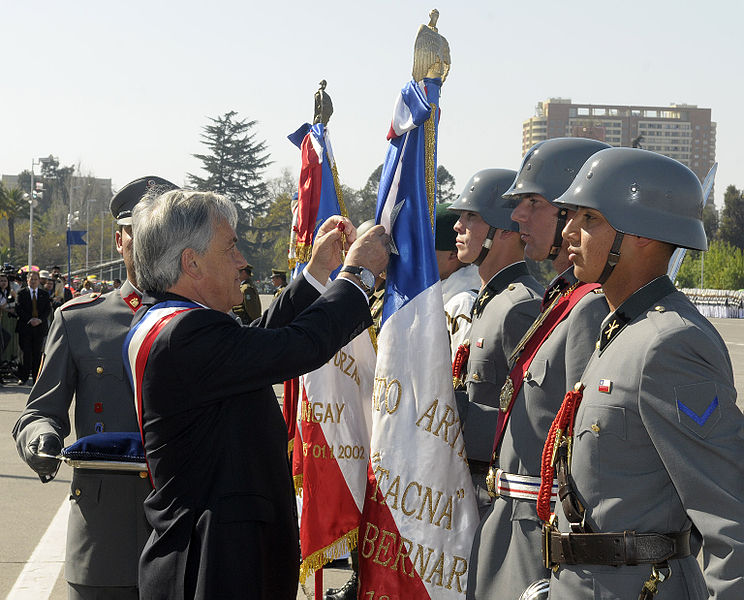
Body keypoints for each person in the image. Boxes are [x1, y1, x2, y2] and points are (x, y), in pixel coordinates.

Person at [126, 190, 389, 600]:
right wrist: (358, 278)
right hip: (215, 567)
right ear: (190, 263)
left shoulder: (170, 323)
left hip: (211, 555)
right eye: (230, 248)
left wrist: (319, 272)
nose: (242, 261)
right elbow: (296, 347)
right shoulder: (185, 335)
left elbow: (257, 342)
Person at [541, 147, 744, 599]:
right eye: (571, 215)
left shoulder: (670, 343)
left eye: (589, 218)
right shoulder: (618, 330)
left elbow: (731, 517)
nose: (569, 232)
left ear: (643, 234)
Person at [12, 175, 177, 599]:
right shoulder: (78, 320)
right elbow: (39, 412)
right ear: (120, 240)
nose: (145, 245)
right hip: (106, 533)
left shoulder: (200, 319)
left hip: (185, 527)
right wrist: (41, 438)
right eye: (135, 235)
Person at [467, 138, 611, 599]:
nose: (517, 216)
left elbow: (585, 453)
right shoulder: (560, 299)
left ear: (573, 212)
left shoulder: (587, 307)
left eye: (533, 202)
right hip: (510, 521)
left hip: (541, 537)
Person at [449, 168, 544, 517]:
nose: (458, 226)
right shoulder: (489, 301)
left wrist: (452, 412)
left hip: (495, 499)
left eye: (470, 216)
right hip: (467, 488)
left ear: (504, 229)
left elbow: (534, 422)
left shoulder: (521, 306)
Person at [15, 270, 51, 385]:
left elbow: (47, 310)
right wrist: (30, 319)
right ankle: (23, 377)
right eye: (32, 279)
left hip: (39, 328)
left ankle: (36, 377)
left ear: (39, 280)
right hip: (25, 327)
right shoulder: (21, 293)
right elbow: (18, 309)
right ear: (27, 280)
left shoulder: (44, 294)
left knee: (37, 353)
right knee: (25, 353)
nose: (34, 282)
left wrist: (39, 319)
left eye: (36, 279)